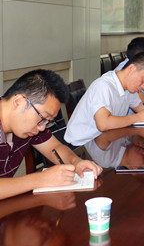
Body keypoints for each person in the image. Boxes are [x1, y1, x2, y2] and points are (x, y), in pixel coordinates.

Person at [0, 69, 102, 200]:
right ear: (18, 102)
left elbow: (54, 148)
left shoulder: (26, 126)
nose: (42, 128)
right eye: (42, 118)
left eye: (47, 122)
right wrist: (41, 179)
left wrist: (76, 162)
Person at [65, 52, 144, 146]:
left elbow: (140, 107)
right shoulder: (104, 86)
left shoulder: (128, 88)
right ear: (131, 69)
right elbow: (103, 124)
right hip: (81, 146)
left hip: (103, 141)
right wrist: (137, 117)